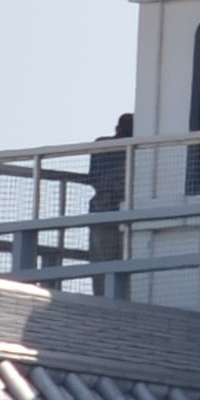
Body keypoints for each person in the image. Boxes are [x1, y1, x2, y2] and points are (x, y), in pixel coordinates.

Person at [83, 110, 134, 301]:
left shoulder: (102, 145)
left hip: (101, 210)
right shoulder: (139, 148)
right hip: (128, 210)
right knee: (124, 261)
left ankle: (102, 299)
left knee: (101, 263)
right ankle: (118, 297)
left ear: (117, 128)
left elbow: (93, 178)